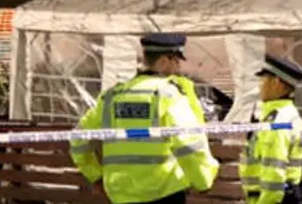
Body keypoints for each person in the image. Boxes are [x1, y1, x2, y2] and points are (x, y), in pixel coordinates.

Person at [70, 33, 219, 204]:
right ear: (164, 61)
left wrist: (95, 175)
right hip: (164, 191)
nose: (178, 67)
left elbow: (78, 139)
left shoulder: (112, 97)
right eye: (176, 61)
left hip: (121, 194)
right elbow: (188, 142)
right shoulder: (168, 95)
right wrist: (203, 181)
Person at [240, 55, 302, 204]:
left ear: (276, 83)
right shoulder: (286, 114)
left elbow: (274, 176)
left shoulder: (278, 122)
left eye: (263, 80)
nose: (260, 86)